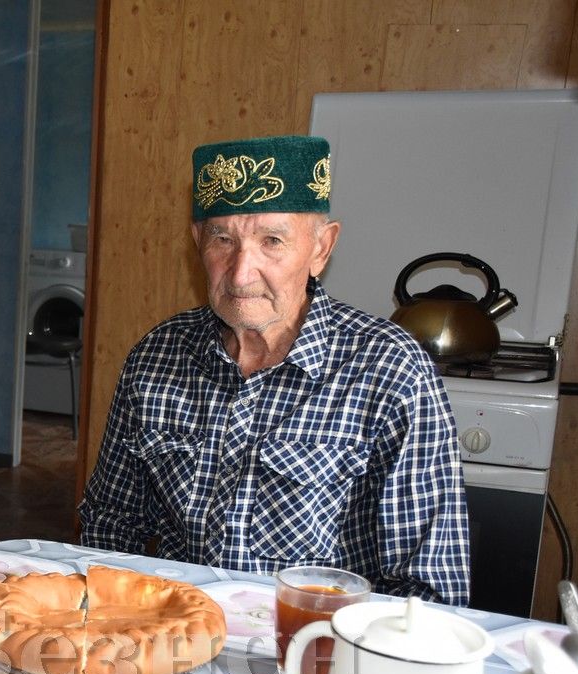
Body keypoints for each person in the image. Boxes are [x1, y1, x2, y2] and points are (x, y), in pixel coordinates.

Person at [78, 135, 470, 606]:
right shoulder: (157, 356)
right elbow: (110, 525)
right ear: (197, 241)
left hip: (320, 650)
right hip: (176, 633)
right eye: (223, 239)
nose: (242, 273)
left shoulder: (390, 370)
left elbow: (427, 594)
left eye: (273, 241)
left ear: (321, 249)